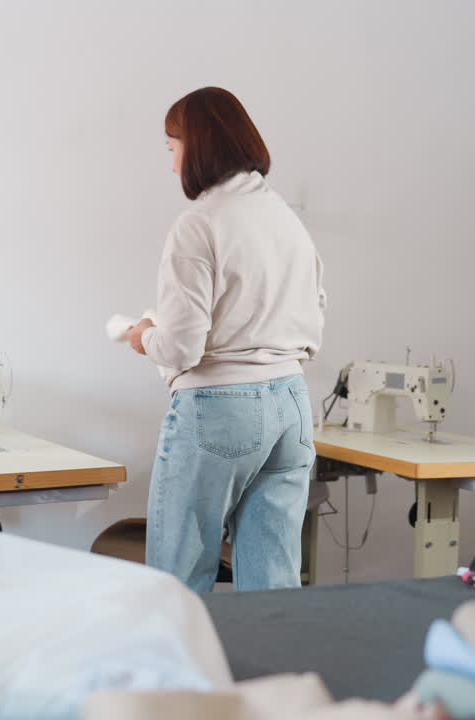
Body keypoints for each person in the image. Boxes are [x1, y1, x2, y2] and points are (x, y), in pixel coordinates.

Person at [124, 86, 326, 592]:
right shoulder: (287, 219)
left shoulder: (198, 224)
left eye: (173, 148)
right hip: (293, 405)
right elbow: (314, 316)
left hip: (220, 407)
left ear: (198, 146)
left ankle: (183, 673)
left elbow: (182, 348)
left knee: (178, 579)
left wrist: (144, 336)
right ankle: (276, 672)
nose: (172, 165)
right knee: (273, 583)